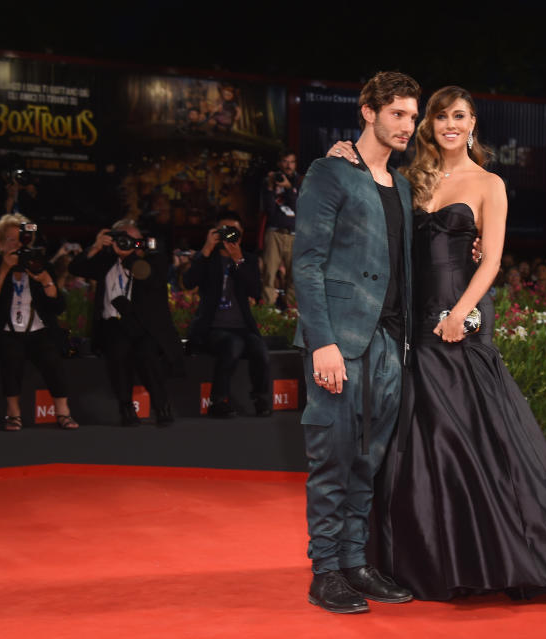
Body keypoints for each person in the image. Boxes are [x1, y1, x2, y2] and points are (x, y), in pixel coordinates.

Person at [330, 86, 546, 601]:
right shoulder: (407, 181)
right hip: (413, 324)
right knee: (417, 439)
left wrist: (462, 312)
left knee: (464, 434)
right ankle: (419, 559)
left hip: (459, 318)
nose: (449, 124)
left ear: (472, 124)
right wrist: (346, 156)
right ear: (430, 126)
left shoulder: (490, 183)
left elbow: (491, 259)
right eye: (440, 117)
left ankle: (491, 555)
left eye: (458, 116)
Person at [293, 71, 420, 614]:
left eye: (413, 117)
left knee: (368, 459)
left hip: (391, 341)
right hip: (339, 342)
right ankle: (326, 571)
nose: (407, 126)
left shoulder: (405, 185)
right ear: (368, 111)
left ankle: (355, 563)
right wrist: (322, 342)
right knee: (332, 454)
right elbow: (307, 262)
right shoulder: (330, 172)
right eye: (397, 113)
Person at [68, 218, 184, 426]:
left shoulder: (153, 257)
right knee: (118, 354)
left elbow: (150, 278)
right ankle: (126, 408)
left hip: (143, 324)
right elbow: (76, 268)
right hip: (113, 322)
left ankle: (162, 406)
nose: (127, 244)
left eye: (133, 240)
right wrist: (95, 247)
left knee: (147, 355)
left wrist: (128, 257)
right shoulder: (105, 259)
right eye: (123, 239)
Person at [0, 214, 77, 431]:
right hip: (7, 330)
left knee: (52, 359)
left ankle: (63, 411)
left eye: (21, 239)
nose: (17, 244)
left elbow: (57, 306)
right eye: (11, 240)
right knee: (11, 357)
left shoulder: (38, 264)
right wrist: (5, 269)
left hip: (38, 329)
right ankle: (13, 412)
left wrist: (45, 281)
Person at [182, 212, 272, 418]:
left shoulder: (247, 259)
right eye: (224, 231)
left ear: (241, 235)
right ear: (215, 233)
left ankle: (261, 399)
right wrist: (205, 249)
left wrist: (237, 259)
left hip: (242, 327)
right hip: (211, 328)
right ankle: (218, 401)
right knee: (233, 344)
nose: (229, 236)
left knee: (259, 348)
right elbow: (188, 282)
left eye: (234, 232)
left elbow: (255, 291)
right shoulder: (208, 258)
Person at [260, 150, 301, 306]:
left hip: (295, 234)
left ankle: (291, 311)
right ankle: (269, 311)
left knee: (295, 276)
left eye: (291, 162)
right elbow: (269, 210)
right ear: (279, 163)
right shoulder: (270, 180)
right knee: (269, 273)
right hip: (274, 232)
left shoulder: (301, 181)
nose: (288, 165)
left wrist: (289, 188)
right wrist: (270, 188)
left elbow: (299, 207)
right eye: (285, 161)